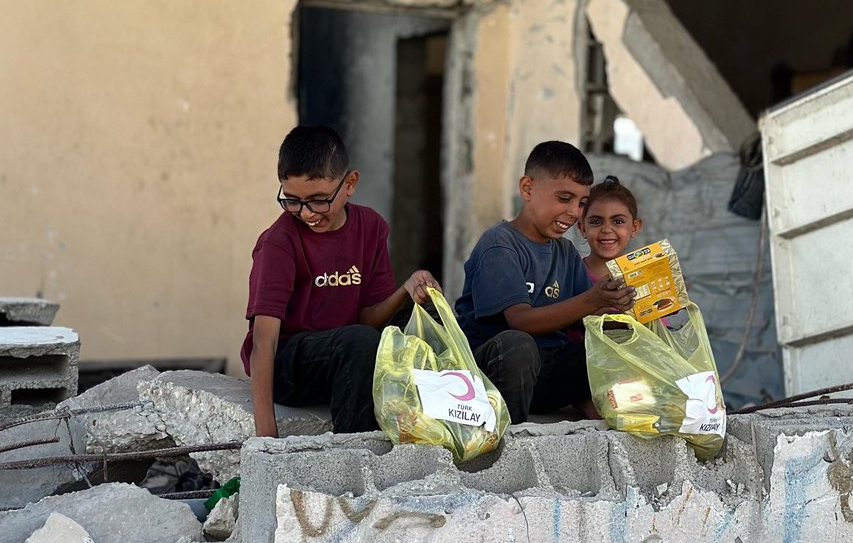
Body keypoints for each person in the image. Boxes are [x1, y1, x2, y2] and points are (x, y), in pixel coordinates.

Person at [241, 126, 439, 436]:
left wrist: (406, 288)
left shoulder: (371, 227)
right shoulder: (279, 242)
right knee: (358, 342)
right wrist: (267, 438)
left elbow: (368, 318)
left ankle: (434, 427)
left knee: (424, 313)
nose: (306, 214)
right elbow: (264, 340)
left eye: (319, 200)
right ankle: (353, 450)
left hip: (347, 354)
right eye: (292, 201)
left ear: (350, 184)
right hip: (290, 364)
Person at [454, 141, 635, 423]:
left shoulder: (565, 252)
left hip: (548, 372)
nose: (575, 212)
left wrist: (622, 304)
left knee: (620, 343)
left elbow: (588, 316)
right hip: (492, 376)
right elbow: (520, 321)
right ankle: (510, 438)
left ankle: (637, 415)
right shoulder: (500, 244)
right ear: (527, 189)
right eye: (564, 199)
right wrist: (593, 300)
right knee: (518, 345)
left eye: (581, 203)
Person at [579, 175, 644, 283]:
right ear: (582, 228)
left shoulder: (645, 277)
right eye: (596, 222)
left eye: (618, 221)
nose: (606, 229)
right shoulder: (569, 274)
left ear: (634, 227)